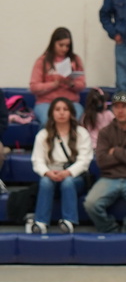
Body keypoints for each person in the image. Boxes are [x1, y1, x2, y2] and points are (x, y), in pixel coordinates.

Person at [84, 91, 126, 234]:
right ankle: (110, 231)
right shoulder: (105, 132)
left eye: (124, 106)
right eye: (116, 107)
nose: (120, 110)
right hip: (109, 177)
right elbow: (102, 161)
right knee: (90, 203)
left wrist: (115, 151)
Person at [28, 98, 93, 234]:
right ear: (52, 113)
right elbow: (37, 160)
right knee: (45, 181)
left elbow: (84, 160)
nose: (61, 113)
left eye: (65, 109)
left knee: (68, 182)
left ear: (71, 113)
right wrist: (47, 172)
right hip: (52, 174)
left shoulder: (81, 133)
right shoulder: (43, 134)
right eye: (57, 110)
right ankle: (40, 223)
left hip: (75, 177)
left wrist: (68, 172)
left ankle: (69, 222)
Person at [29, 27, 87, 123]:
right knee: (48, 121)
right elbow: (33, 87)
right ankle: (47, 138)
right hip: (46, 102)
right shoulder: (42, 61)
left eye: (67, 46)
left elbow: (82, 85)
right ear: (53, 43)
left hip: (70, 102)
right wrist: (53, 84)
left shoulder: (75, 60)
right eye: (61, 45)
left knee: (75, 119)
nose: (64, 49)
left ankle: (72, 138)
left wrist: (71, 84)